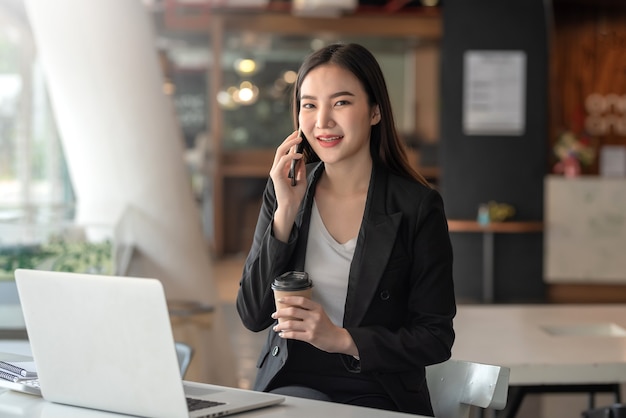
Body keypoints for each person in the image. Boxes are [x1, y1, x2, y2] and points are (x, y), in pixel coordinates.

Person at [236, 42, 455, 416]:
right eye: (309, 105)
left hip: (376, 391)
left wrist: (341, 339)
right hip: (291, 386)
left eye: (340, 103)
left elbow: (435, 337)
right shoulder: (287, 192)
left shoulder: (416, 207)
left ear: (374, 112)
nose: (322, 121)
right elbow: (254, 313)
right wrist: (285, 212)